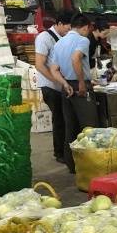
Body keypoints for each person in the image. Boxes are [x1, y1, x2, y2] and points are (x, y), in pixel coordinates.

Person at [49, 13, 98, 174]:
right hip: (79, 87)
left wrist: (64, 83)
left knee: (70, 127)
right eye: (88, 30)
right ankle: (91, 166)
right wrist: (82, 82)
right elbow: (76, 58)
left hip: (66, 88)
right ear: (85, 27)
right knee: (90, 128)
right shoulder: (83, 40)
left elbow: (54, 69)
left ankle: (72, 165)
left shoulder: (59, 42)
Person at [34, 10, 73, 163]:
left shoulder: (63, 38)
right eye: (67, 29)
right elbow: (39, 65)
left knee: (65, 118)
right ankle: (59, 153)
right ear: (59, 24)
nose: (69, 32)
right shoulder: (44, 38)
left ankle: (66, 151)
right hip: (50, 87)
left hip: (62, 84)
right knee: (59, 119)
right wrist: (56, 80)